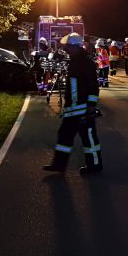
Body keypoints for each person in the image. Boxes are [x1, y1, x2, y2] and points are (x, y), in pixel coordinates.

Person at [44, 33, 102, 174]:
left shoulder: (85, 62)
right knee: (65, 135)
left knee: (88, 139)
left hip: (83, 108)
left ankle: (95, 166)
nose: (66, 49)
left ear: (75, 47)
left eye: (68, 46)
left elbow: (93, 86)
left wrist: (91, 106)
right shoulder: (75, 61)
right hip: (73, 108)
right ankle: (59, 164)